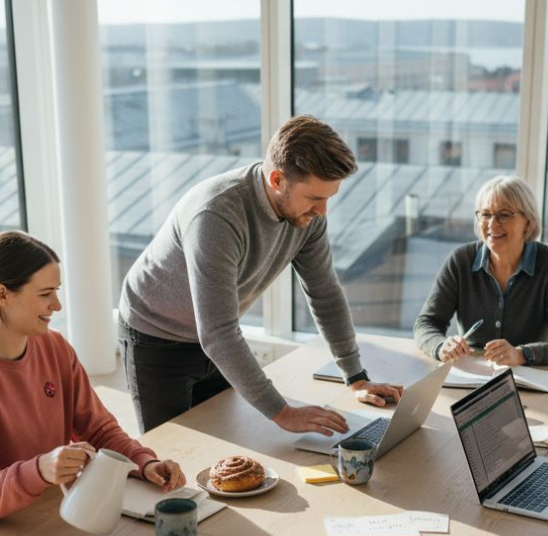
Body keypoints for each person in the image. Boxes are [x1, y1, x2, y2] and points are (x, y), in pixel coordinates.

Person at [118, 115, 402, 434]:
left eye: (328, 198)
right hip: (156, 336)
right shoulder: (216, 215)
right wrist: (283, 413)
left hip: (214, 337)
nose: (323, 212)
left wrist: (355, 377)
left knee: (222, 444)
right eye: (315, 198)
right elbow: (218, 332)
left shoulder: (309, 217)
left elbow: (325, 293)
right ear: (278, 180)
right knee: (170, 456)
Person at [0, 231, 186, 536]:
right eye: (45, 293)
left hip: (37, 508)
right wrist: (39, 469)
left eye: (57, 291)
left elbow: (99, 429)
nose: (57, 305)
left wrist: (144, 463)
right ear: (2, 294)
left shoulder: (54, 348)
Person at [413, 175, 548, 365]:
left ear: (528, 222)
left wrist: (521, 354)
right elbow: (426, 324)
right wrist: (440, 346)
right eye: (485, 214)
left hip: (529, 377)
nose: (492, 224)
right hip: (471, 374)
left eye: (504, 215)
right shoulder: (460, 260)